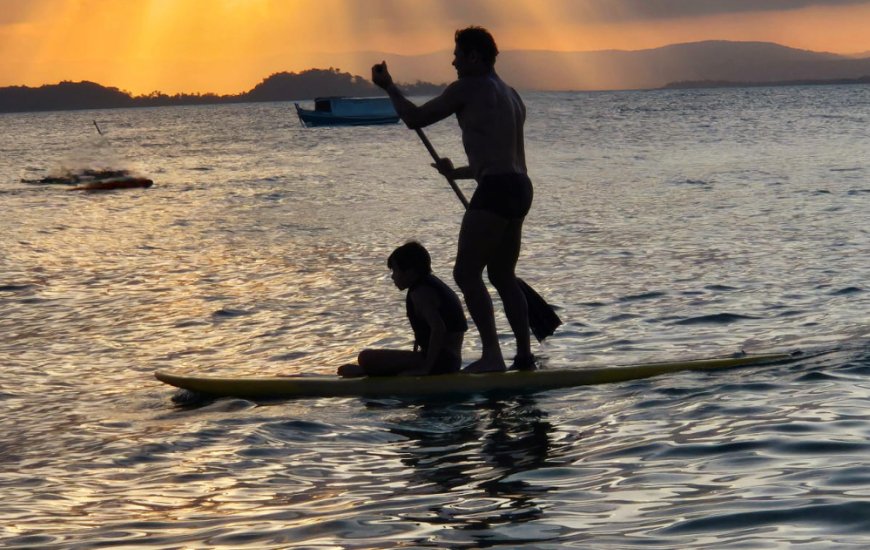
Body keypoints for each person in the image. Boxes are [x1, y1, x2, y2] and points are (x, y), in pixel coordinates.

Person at [372, 26, 534, 373]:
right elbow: (496, 161)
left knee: (465, 273)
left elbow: (415, 118)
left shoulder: (468, 87)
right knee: (503, 275)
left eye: (458, 55)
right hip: (520, 187)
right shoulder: (511, 93)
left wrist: (388, 87)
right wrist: (454, 172)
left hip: (496, 191)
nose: (453, 61)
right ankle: (524, 356)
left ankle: (493, 356)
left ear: (475, 56)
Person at [337, 241, 467, 377]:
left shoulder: (421, 293)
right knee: (375, 358)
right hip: (449, 361)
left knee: (365, 357)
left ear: (410, 272)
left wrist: (425, 369)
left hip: (442, 363)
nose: (393, 276)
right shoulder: (430, 284)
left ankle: (365, 372)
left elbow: (438, 328)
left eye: (395, 270)